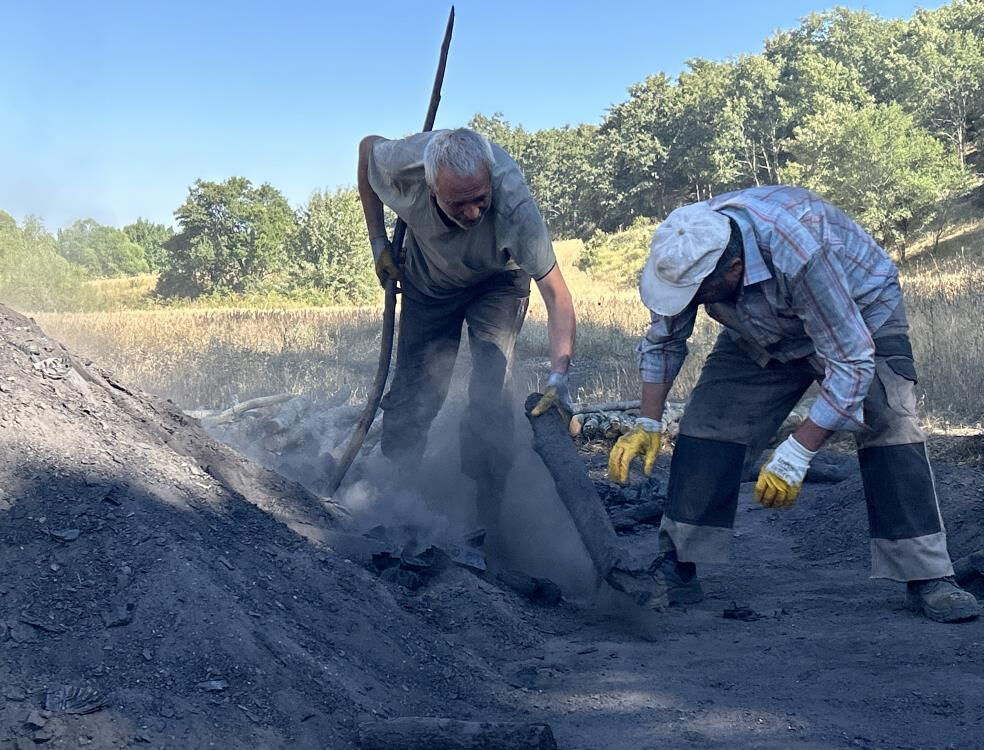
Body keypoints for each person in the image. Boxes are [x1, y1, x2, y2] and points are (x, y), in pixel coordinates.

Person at [609, 185, 979, 623]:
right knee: (710, 422)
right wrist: (648, 423)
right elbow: (665, 340)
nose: (690, 302)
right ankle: (679, 566)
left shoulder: (801, 252)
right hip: (760, 325)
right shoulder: (685, 247)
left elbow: (852, 363)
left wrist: (798, 451)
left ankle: (927, 575)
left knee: (889, 422)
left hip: (859, 317)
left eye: (699, 292)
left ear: (734, 267)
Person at [357, 128, 576, 533]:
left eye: (481, 199)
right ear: (430, 188)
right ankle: (399, 500)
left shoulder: (514, 206)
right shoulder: (404, 162)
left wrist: (558, 378)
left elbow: (558, 296)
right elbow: (367, 148)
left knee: (490, 393)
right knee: (412, 392)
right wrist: (377, 243)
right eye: (459, 204)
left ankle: (487, 517)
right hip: (428, 283)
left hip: (498, 283)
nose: (474, 214)